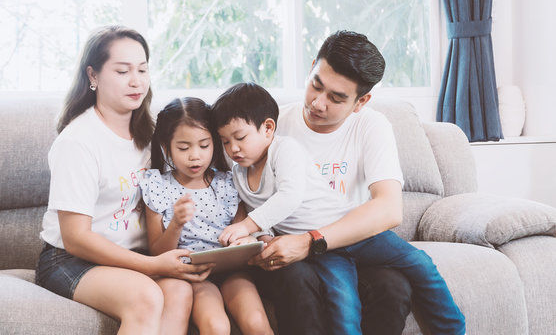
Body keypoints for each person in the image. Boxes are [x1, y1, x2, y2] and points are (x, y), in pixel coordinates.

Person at [212, 82, 466, 335]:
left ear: (268, 128)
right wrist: (261, 236)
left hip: (353, 232)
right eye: (225, 142)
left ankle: (452, 329)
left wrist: (246, 225)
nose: (233, 148)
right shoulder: (238, 174)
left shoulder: (285, 149)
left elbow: (289, 197)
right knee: (343, 303)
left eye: (240, 138)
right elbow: (263, 213)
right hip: (321, 247)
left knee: (420, 263)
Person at [36, 25, 212, 335]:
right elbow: (76, 237)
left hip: (134, 257)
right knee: (145, 297)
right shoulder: (78, 141)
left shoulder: (150, 135)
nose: (136, 81)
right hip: (71, 259)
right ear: (93, 76)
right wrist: (152, 266)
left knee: (180, 292)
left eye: (142, 69)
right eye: (122, 71)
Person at [140, 97, 273, 335]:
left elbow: (241, 231)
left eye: (204, 145)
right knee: (216, 326)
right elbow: (157, 253)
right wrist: (176, 224)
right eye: (183, 148)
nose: (195, 156)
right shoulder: (157, 186)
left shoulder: (228, 182)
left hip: (234, 272)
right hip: (195, 276)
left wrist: (251, 242)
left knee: (256, 322)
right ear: (165, 146)